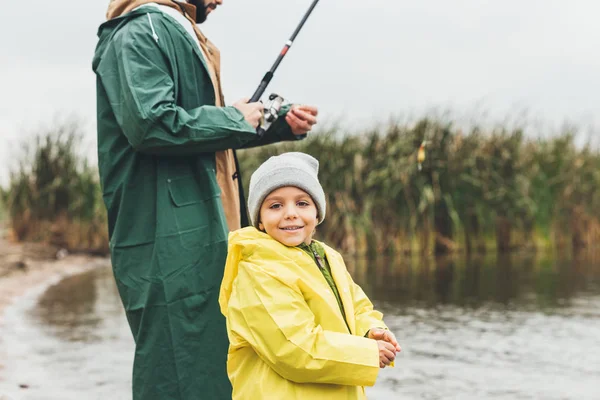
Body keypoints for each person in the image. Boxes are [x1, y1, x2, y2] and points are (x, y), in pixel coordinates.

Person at [92, 0, 318, 399]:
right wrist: (237, 118)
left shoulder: (177, 32)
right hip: (168, 238)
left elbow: (194, 129)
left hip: (202, 234)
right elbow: (152, 124)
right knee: (177, 364)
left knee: (213, 361)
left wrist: (272, 122)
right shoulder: (139, 31)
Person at [219, 152, 402, 399]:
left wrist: (370, 331)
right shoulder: (258, 270)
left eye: (302, 203)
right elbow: (294, 349)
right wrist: (367, 354)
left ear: (317, 214)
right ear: (259, 221)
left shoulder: (328, 257)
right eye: (275, 205)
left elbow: (357, 307)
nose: (290, 213)